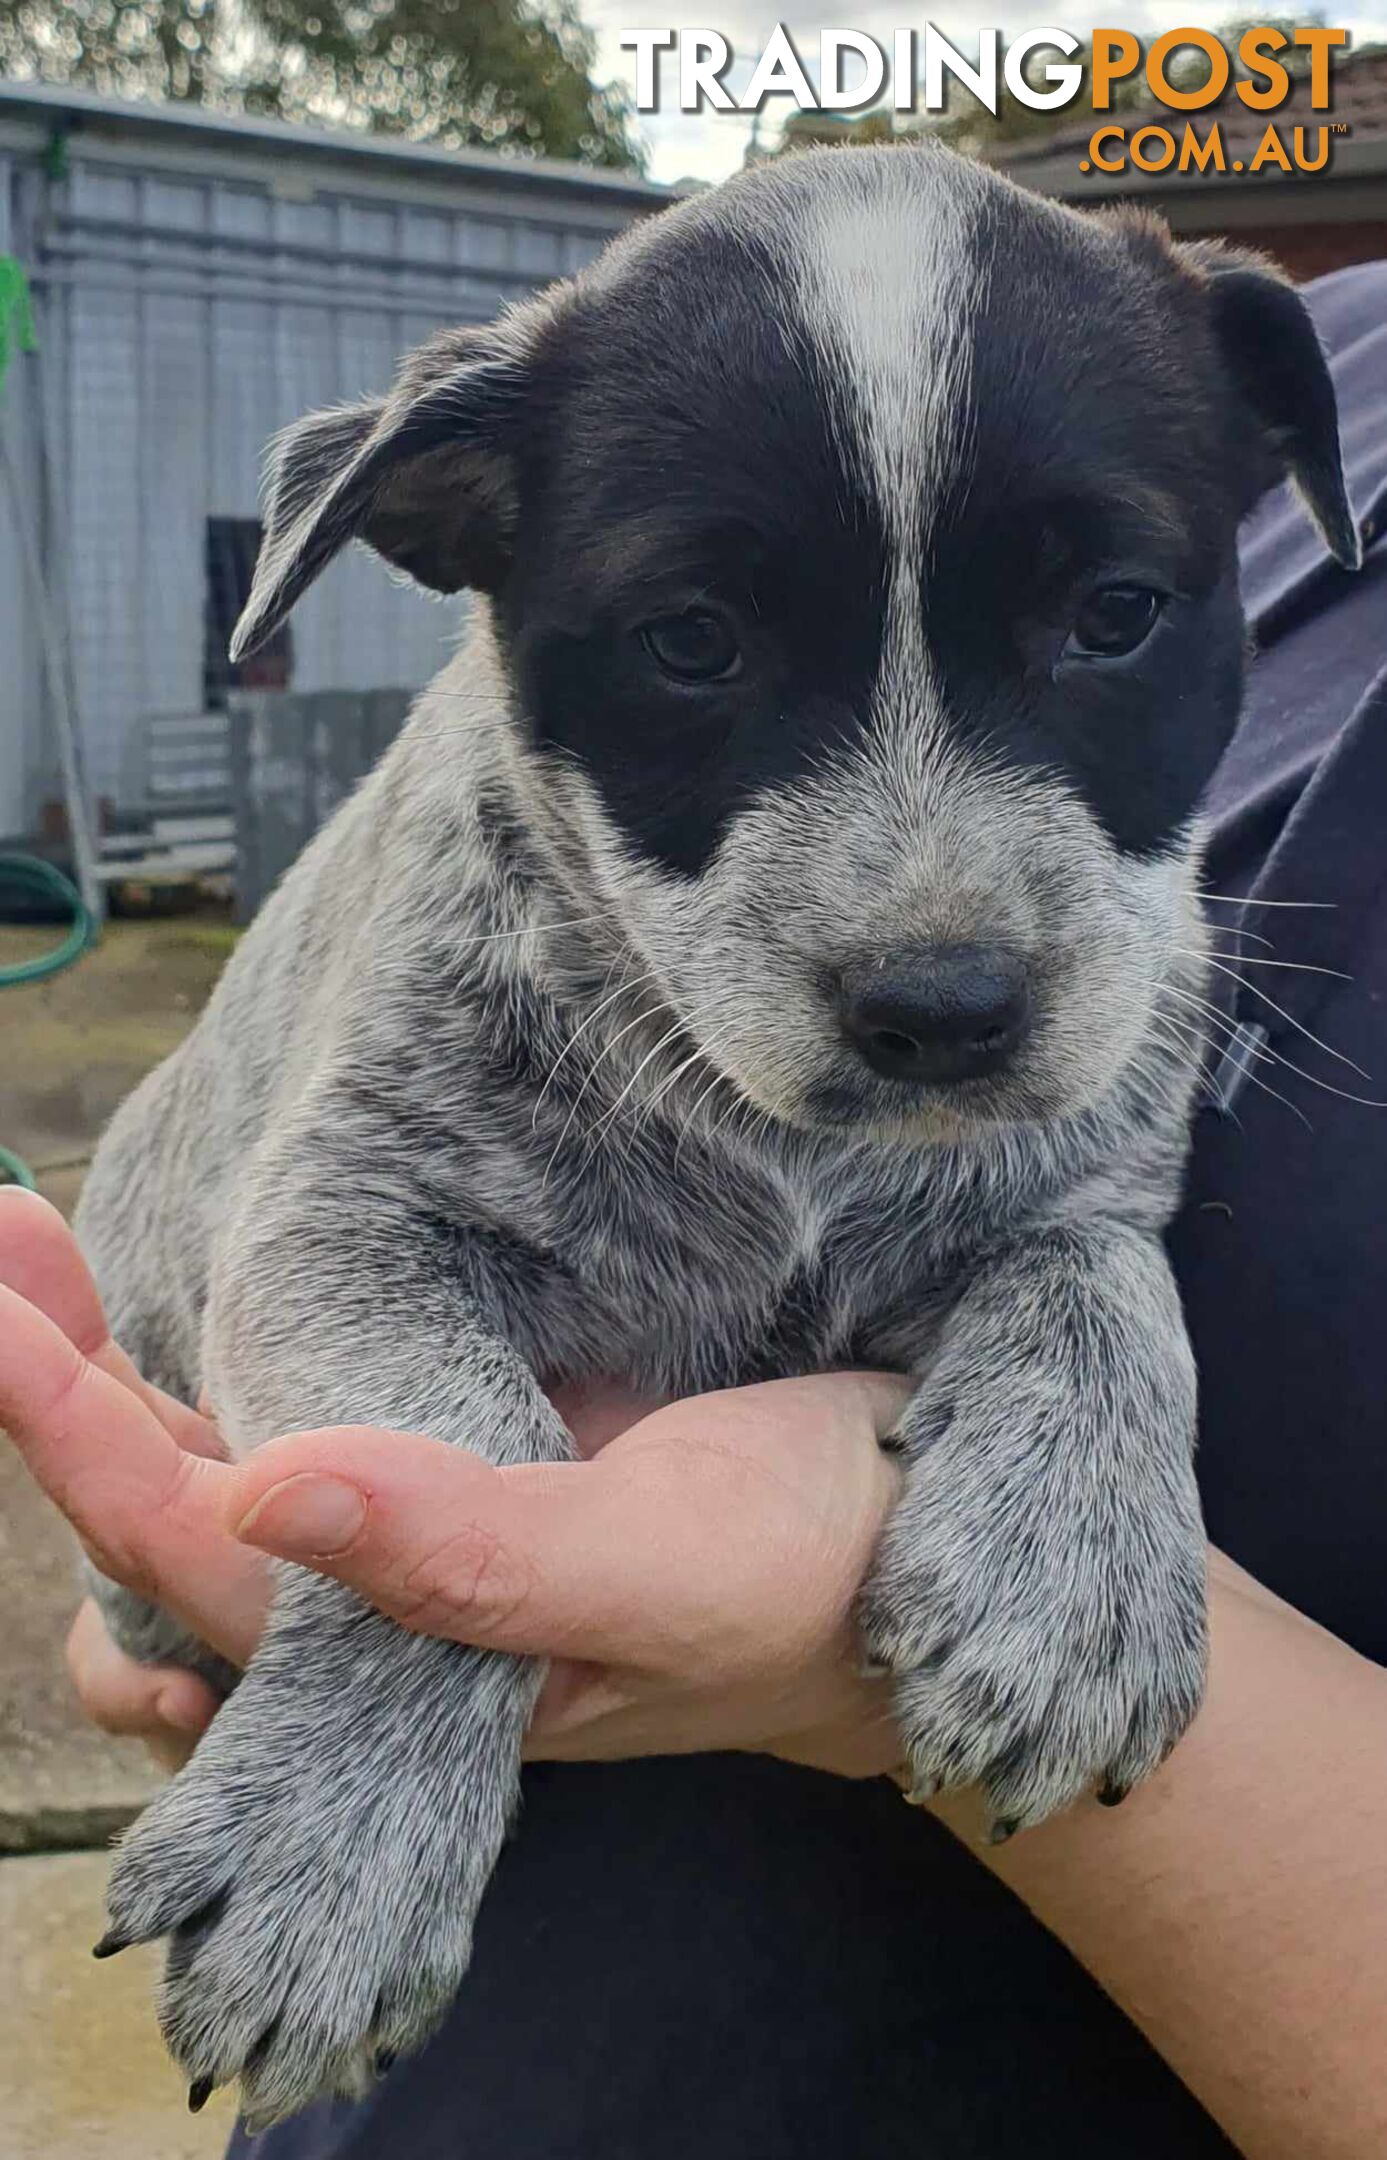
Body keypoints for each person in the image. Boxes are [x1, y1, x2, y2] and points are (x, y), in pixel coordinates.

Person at [3, 260, 1385, 2160]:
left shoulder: (1230, 379)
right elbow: (345, 1239)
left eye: (1116, 612)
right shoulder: (1357, 354)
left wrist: (1082, 1342)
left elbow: (1070, 1224)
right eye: (694, 643)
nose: (933, 919)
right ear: (435, 515)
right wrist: (402, 1621)